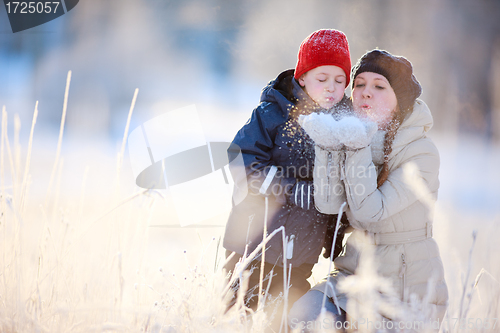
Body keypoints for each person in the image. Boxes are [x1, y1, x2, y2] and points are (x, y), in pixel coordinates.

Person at [288, 49, 449, 332]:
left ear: (400, 101)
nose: (365, 93)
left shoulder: (422, 153)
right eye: (359, 84)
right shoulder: (355, 133)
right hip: (353, 273)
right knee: (303, 317)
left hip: (404, 285)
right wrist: (328, 146)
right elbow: (329, 204)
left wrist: (356, 144)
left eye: (378, 86)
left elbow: (369, 211)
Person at [222, 29, 352, 331]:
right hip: (254, 244)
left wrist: (337, 230)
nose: (332, 88)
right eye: (322, 79)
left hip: (300, 255)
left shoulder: (346, 127)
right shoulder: (274, 113)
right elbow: (242, 159)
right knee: (237, 316)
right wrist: (290, 190)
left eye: (340, 80)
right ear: (302, 77)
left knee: (281, 322)